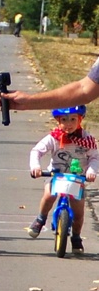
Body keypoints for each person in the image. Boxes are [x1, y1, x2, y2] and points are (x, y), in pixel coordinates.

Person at [26, 106, 98, 253]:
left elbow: (95, 157)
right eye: (64, 120)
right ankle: (41, 219)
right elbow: (37, 151)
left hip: (76, 178)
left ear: (80, 120)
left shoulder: (87, 139)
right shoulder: (54, 137)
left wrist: (91, 171)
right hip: (56, 175)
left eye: (73, 119)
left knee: (78, 212)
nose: (68, 123)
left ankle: (76, 237)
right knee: (49, 195)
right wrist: (36, 167)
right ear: (58, 121)